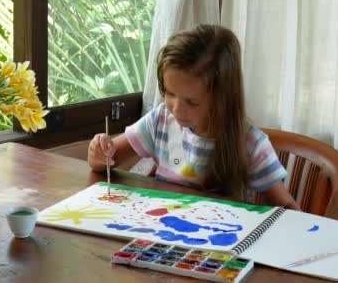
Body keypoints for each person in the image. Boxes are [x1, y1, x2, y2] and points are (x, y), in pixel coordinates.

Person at [88, 24, 299, 210]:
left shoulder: (251, 145)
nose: (177, 109)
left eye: (192, 102)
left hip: (218, 245)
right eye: (169, 93)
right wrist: (100, 151)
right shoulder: (160, 121)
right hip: (159, 233)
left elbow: (286, 207)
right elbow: (106, 160)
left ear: (222, 98)